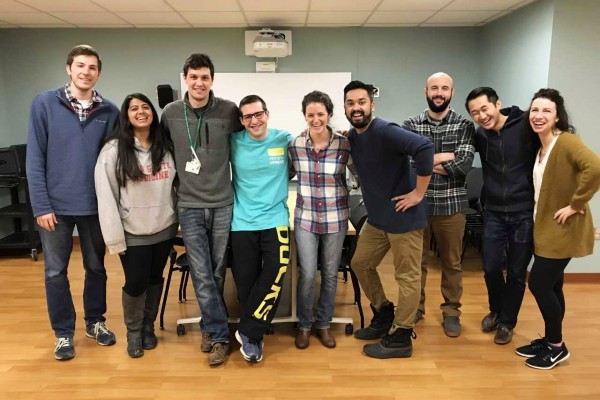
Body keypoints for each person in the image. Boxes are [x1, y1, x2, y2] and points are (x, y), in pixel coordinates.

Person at [26, 45, 119, 361]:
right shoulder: (44, 104)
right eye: (80, 65)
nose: (86, 72)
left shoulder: (109, 111)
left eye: (92, 67)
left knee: (96, 267)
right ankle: (63, 334)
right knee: (55, 272)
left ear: (98, 74)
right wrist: (41, 205)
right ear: (69, 68)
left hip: (95, 206)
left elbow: (115, 162)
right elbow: (34, 158)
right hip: (55, 208)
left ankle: (95, 322)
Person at [160, 53, 243, 366]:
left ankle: (210, 326)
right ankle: (220, 336)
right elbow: (162, 153)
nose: (199, 83)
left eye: (204, 77)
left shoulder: (229, 111)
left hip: (222, 203)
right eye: (193, 77)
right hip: (189, 205)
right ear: (185, 78)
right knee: (201, 272)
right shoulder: (170, 113)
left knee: (217, 271)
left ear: (212, 80)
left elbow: (247, 145)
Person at [344, 81, 434, 359]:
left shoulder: (385, 130)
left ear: (372, 105)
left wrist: (418, 193)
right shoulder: (353, 136)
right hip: (378, 219)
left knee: (406, 277)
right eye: (350, 103)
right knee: (360, 263)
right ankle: (384, 313)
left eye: (361, 102)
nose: (356, 107)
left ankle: (401, 336)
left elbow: (424, 147)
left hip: (404, 218)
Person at [515, 88, 600, 370]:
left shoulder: (567, 142)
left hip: (562, 228)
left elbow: (595, 168)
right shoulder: (542, 146)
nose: (538, 116)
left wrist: (576, 205)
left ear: (557, 117)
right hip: (546, 227)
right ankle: (550, 340)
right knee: (553, 285)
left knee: (539, 283)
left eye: (546, 111)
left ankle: (556, 346)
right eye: (535, 110)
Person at [95, 93, 177, 358]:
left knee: (155, 278)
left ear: (153, 112)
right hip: (133, 232)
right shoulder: (113, 150)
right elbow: (106, 197)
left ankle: (147, 327)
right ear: (126, 115)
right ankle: (133, 332)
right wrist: (114, 239)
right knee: (135, 282)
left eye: (145, 107)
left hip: (164, 227)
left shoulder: (166, 145)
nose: (141, 112)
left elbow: (177, 185)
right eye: (134, 108)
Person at [402, 72, 475, 337]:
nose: (439, 93)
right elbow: (407, 163)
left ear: (452, 93)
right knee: (415, 263)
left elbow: (464, 165)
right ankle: (416, 308)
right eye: (434, 88)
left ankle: (451, 312)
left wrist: (425, 161)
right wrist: (446, 157)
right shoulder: (410, 124)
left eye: (444, 88)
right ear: (426, 92)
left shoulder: (464, 125)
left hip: (451, 206)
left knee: (452, 263)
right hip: (416, 204)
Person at [465, 87, 539, 345]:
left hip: (523, 211)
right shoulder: (480, 135)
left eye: (484, 108)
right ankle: (496, 310)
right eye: (475, 113)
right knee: (491, 267)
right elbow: (460, 153)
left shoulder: (524, 126)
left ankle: (508, 322)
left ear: (498, 104)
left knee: (517, 272)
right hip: (494, 212)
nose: (481, 116)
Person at [230, 95, 292, 363]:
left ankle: (249, 332)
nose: (254, 120)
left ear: (267, 114)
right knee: (246, 283)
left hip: (275, 218)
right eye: (247, 116)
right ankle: (254, 334)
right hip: (242, 221)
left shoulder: (284, 139)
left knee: (276, 272)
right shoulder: (233, 142)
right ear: (241, 120)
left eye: (258, 114)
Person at [289, 91, 351, 349]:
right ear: (304, 116)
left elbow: (361, 172)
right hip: (306, 219)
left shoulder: (344, 144)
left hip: (336, 218)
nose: (316, 120)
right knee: (306, 274)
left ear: (329, 114)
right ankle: (304, 326)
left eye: (321, 114)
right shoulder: (295, 145)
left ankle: (323, 324)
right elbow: (282, 175)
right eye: (310, 115)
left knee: (329, 273)